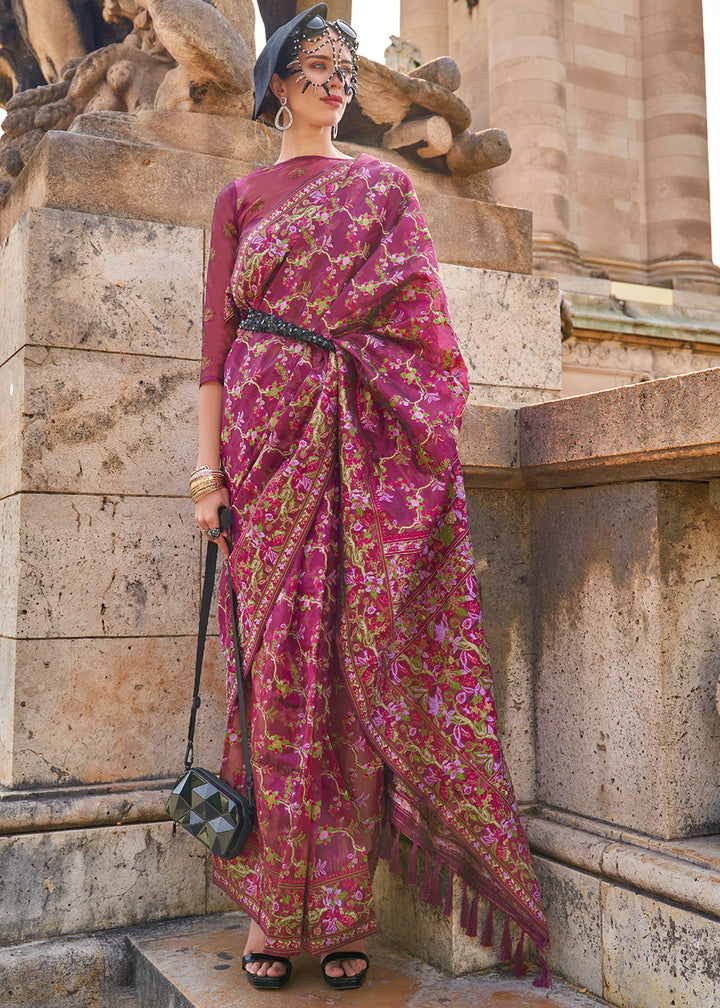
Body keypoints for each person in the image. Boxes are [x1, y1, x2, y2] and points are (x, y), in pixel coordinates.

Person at [192, 3, 550, 992]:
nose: (334, 82)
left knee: (349, 693)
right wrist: (204, 475)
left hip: (359, 463)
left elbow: (425, 339)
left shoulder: (384, 193)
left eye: (343, 69)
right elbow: (214, 353)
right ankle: (274, 913)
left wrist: (403, 430)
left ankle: (341, 917)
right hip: (261, 460)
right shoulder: (239, 199)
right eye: (314, 68)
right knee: (273, 688)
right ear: (277, 85)